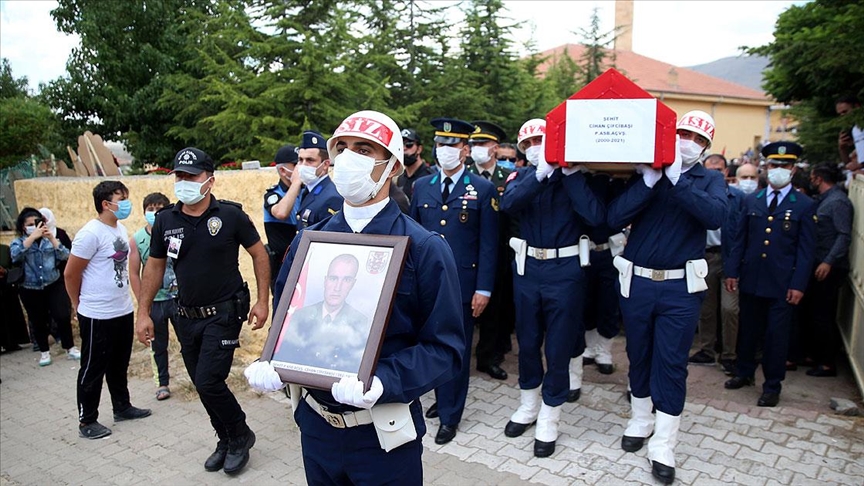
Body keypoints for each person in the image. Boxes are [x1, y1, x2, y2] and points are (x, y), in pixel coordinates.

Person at [247, 110, 464, 485]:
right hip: (316, 428)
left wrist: (383, 380)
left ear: (392, 166)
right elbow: (290, 321)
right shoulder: (307, 244)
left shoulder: (424, 249)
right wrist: (275, 362)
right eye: (342, 148)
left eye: (364, 149)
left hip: (382, 436)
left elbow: (445, 350)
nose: (349, 158)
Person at [135, 147, 270, 475]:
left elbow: (259, 254)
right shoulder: (166, 220)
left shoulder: (231, 216)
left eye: (191, 176)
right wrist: (143, 312)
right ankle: (225, 438)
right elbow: (154, 266)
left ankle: (240, 434)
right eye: (179, 176)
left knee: (209, 380)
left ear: (210, 180)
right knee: (200, 381)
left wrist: (263, 301)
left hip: (224, 313)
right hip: (185, 316)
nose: (184, 181)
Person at [611, 111, 727, 484]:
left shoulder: (710, 179)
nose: (688, 142)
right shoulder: (645, 173)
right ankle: (640, 419)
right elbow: (613, 218)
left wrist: (678, 180)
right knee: (638, 353)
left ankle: (664, 442)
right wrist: (649, 181)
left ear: (705, 147)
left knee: (672, 362)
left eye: (698, 139)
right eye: (683, 134)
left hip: (680, 287)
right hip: (638, 283)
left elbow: (715, 216)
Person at [501, 118, 606, 458]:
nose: (535, 148)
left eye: (540, 141)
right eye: (529, 144)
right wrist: (540, 175)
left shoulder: (579, 177)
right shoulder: (522, 177)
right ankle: (528, 403)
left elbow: (596, 218)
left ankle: (550, 414)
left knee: (559, 345)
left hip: (566, 268)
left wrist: (568, 174)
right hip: (529, 267)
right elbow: (509, 205)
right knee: (528, 341)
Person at [410, 117, 499, 445]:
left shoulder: (482, 189)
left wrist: (483, 288)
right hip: (427, 283)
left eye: (451, 144)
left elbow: (488, 245)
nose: (444, 150)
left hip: (463, 285)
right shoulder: (423, 186)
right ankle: (441, 397)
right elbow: (412, 236)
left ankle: (451, 415)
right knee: (430, 345)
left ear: (465, 150)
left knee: (456, 349)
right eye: (440, 143)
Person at [724, 141, 816, 408]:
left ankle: (772, 385)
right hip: (752, 278)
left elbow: (806, 251)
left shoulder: (804, 204)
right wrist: (732, 271)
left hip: (782, 284)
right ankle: (744, 372)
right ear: (766, 167)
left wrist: (799, 285)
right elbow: (740, 239)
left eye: (785, 165)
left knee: (776, 337)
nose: (779, 169)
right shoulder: (752, 200)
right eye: (774, 164)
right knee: (748, 330)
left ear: (793, 169)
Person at [65, 181, 151, 440]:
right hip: (97, 313)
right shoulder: (90, 234)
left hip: (121, 309)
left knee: (119, 363)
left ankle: (122, 406)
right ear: (105, 204)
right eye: (121, 199)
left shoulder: (119, 228)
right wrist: (77, 304)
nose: (126, 204)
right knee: (93, 367)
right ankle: (87, 420)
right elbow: (71, 274)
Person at [688, 154, 744, 376]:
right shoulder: (696, 194)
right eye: (710, 170)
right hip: (705, 257)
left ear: (726, 172)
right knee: (706, 307)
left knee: (730, 308)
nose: (714, 174)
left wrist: (735, 266)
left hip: (729, 257)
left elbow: (742, 233)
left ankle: (729, 354)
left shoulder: (737, 198)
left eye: (719, 170)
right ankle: (707, 350)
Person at [466, 121, 513, 381]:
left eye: (482, 143)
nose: (477, 148)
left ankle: (489, 357)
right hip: (470, 250)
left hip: (500, 252)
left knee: (495, 309)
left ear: (495, 147)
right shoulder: (466, 175)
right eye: (473, 144)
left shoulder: (508, 177)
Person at [799, 164, 853, 377]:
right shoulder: (825, 199)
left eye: (813, 177)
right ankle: (815, 354)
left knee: (822, 314)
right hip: (818, 261)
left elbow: (843, 235)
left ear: (818, 179)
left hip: (829, 266)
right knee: (813, 312)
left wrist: (828, 262)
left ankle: (827, 362)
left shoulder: (837, 202)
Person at [274, 254, 370, 372]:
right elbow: (285, 355)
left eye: (346, 280)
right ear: (325, 280)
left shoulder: (360, 322)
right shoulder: (300, 315)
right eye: (333, 278)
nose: (337, 287)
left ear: (353, 284)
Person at [10, 207, 80, 366]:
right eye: (29, 225)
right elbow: (15, 255)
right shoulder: (19, 242)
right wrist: (31, 238)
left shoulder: (50, 239)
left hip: (53, 283)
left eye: (36, 223)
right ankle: (44, 351)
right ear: (23, 227)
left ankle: (69, 347)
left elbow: (66, 255)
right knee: (38, 320)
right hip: (30, 287)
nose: (33, 227)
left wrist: (52, 239)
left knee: (62, 315)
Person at [129, 192, 178, 401]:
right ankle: (162, 383)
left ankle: (197, 378)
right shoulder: (137, 240)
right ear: (144, 212)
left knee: (189, 341)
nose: (154, 213)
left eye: (159, 209)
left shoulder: (174, 236)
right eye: (150, 209)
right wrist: (143, 304)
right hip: (155, 302)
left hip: (178, 298)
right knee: (157, 345)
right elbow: (134, 273)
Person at [578, 171, 627, 378]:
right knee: (587, 302)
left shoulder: (618, 183)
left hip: (610, 252)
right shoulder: (583, 180)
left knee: (609, 303)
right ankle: (590, 348)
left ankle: (604, 351)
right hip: (585, 250)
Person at [264, 144, 302, 283]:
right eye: (295, 164)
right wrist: (296, 183)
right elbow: (281, 213)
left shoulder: (305, 191)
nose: (301, 167)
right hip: (282, 265)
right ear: (282, 170)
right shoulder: (273, 195)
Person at [296, 130, 343, 228]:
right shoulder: (307, 190)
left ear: (325, 164)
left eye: (310, 160)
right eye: (300, 160)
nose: (303, 165)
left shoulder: (332, 198)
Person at [0, 243, 29, 353]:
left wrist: (5, 272)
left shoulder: (4, 249)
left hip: (5, 287)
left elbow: (15, 266)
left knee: (9, 314)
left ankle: (11, 343)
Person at [395, 128, 432, 200]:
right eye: (400, 145)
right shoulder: (400, 178)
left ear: (419, 149)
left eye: (409, 144)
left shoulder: (430, 176)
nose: (404, 148)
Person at [835, 95, 863, 169]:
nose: (843, 116)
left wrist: (860, 165)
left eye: (845, 112)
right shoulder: (854, 129)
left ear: (857, 107)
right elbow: (848, 163)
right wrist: (842, 147)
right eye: (840, 114)